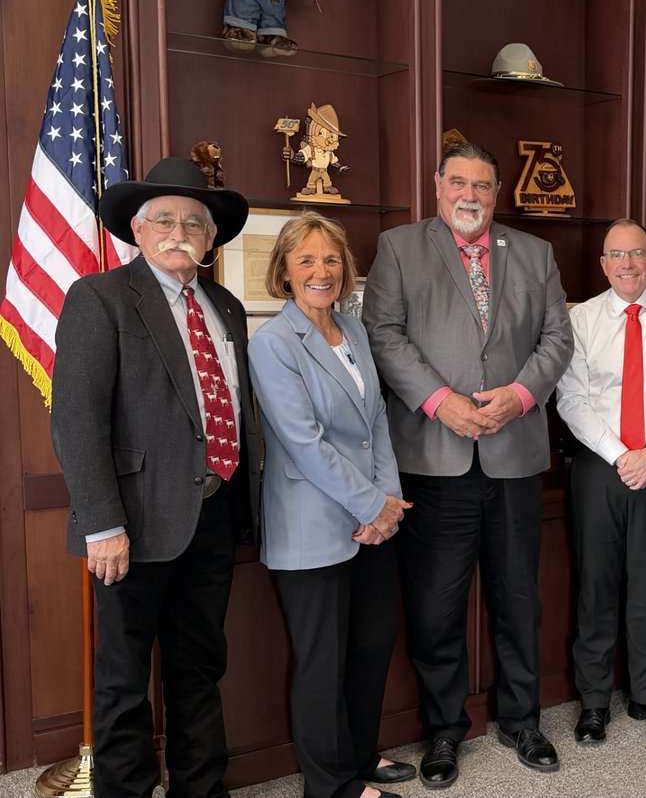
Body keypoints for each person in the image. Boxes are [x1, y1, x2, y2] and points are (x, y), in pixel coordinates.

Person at [362, 142, 573, 789]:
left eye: (482, 185)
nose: (470, 196)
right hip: (434, 457)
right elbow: (383, 334)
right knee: (436, 607)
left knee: (519, 599)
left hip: (514, 455)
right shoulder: (399, 247)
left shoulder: (534, 253)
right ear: (437, 185)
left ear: (497, 191)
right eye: (459, 182)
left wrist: (521, 395)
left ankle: (521, 720)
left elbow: (557, 337)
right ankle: (444, 730)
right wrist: (439, 401)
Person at [51, 157, 261, 798]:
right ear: (138, 231)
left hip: (213, 516)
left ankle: (201, 788)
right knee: (123, 678)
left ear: (211, 238)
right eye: (164, 220)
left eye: (194, 223)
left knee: (199, 667)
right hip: (131, 524)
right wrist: (102, 525)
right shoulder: (101, 298)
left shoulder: (226, 306)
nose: (179, 232)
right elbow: (77, 419)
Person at [247, 213, 414, 798]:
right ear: (284, 272)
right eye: (307, 260)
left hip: (372, 519)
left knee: (371, 643)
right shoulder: (272, 343)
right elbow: (304, 443)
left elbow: (377, 422)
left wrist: (386, 503)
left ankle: (359, 757)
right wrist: (373, 506)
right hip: (312, 522)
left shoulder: (353, 329)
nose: (322, 271)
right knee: (322, 659)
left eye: (332, 259)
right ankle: (331, 786)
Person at [556, 219, 646, 745]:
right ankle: (594, 702)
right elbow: (571, 399)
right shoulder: (580, 319)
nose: (627, 264)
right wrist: (623, 456)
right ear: (603, 264)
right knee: (595, 587)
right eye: (617, 255)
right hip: (600, 466)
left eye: (637, 253)